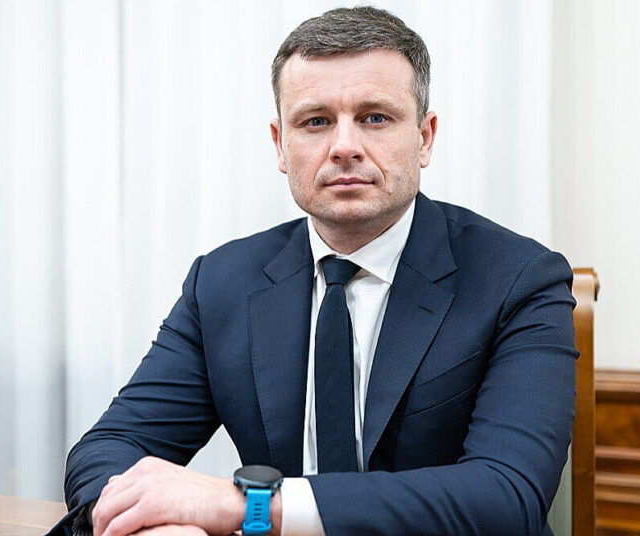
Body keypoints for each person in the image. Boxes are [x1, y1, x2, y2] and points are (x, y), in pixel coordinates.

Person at [51, 7, 577, 536]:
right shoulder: (223, 282)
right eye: (316, 122)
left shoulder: (520, 279)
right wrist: (156, 527)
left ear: (425, 137)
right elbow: (110, 447)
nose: (344, 147)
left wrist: (251, 505)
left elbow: (505, 495)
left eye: (375, 117)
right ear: (281, 144)